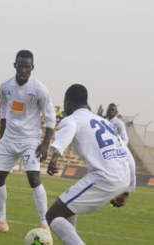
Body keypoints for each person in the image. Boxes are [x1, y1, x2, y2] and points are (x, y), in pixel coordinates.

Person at [45, 84, 136, 245]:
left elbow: (69, 130)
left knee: (52, 215)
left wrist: (55, 156)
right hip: (123, 176)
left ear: (68, 102)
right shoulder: (104, 122)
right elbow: (128, 156)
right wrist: (127, 190)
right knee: (67, 207)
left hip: (104, 177)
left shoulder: (71, 119)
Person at [0, 50, 56, 233]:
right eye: (20, 65)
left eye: (27, 66)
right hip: (9, 139)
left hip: (30, 140)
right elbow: (3, 111)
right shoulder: (5, 85)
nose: (23, 69)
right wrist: (2, 136)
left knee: (33, 178)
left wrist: (45, 144)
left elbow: (51, 119)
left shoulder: (40, 89)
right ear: (14, 65)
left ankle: (45, 223)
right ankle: (1, 222)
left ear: (32, 67)